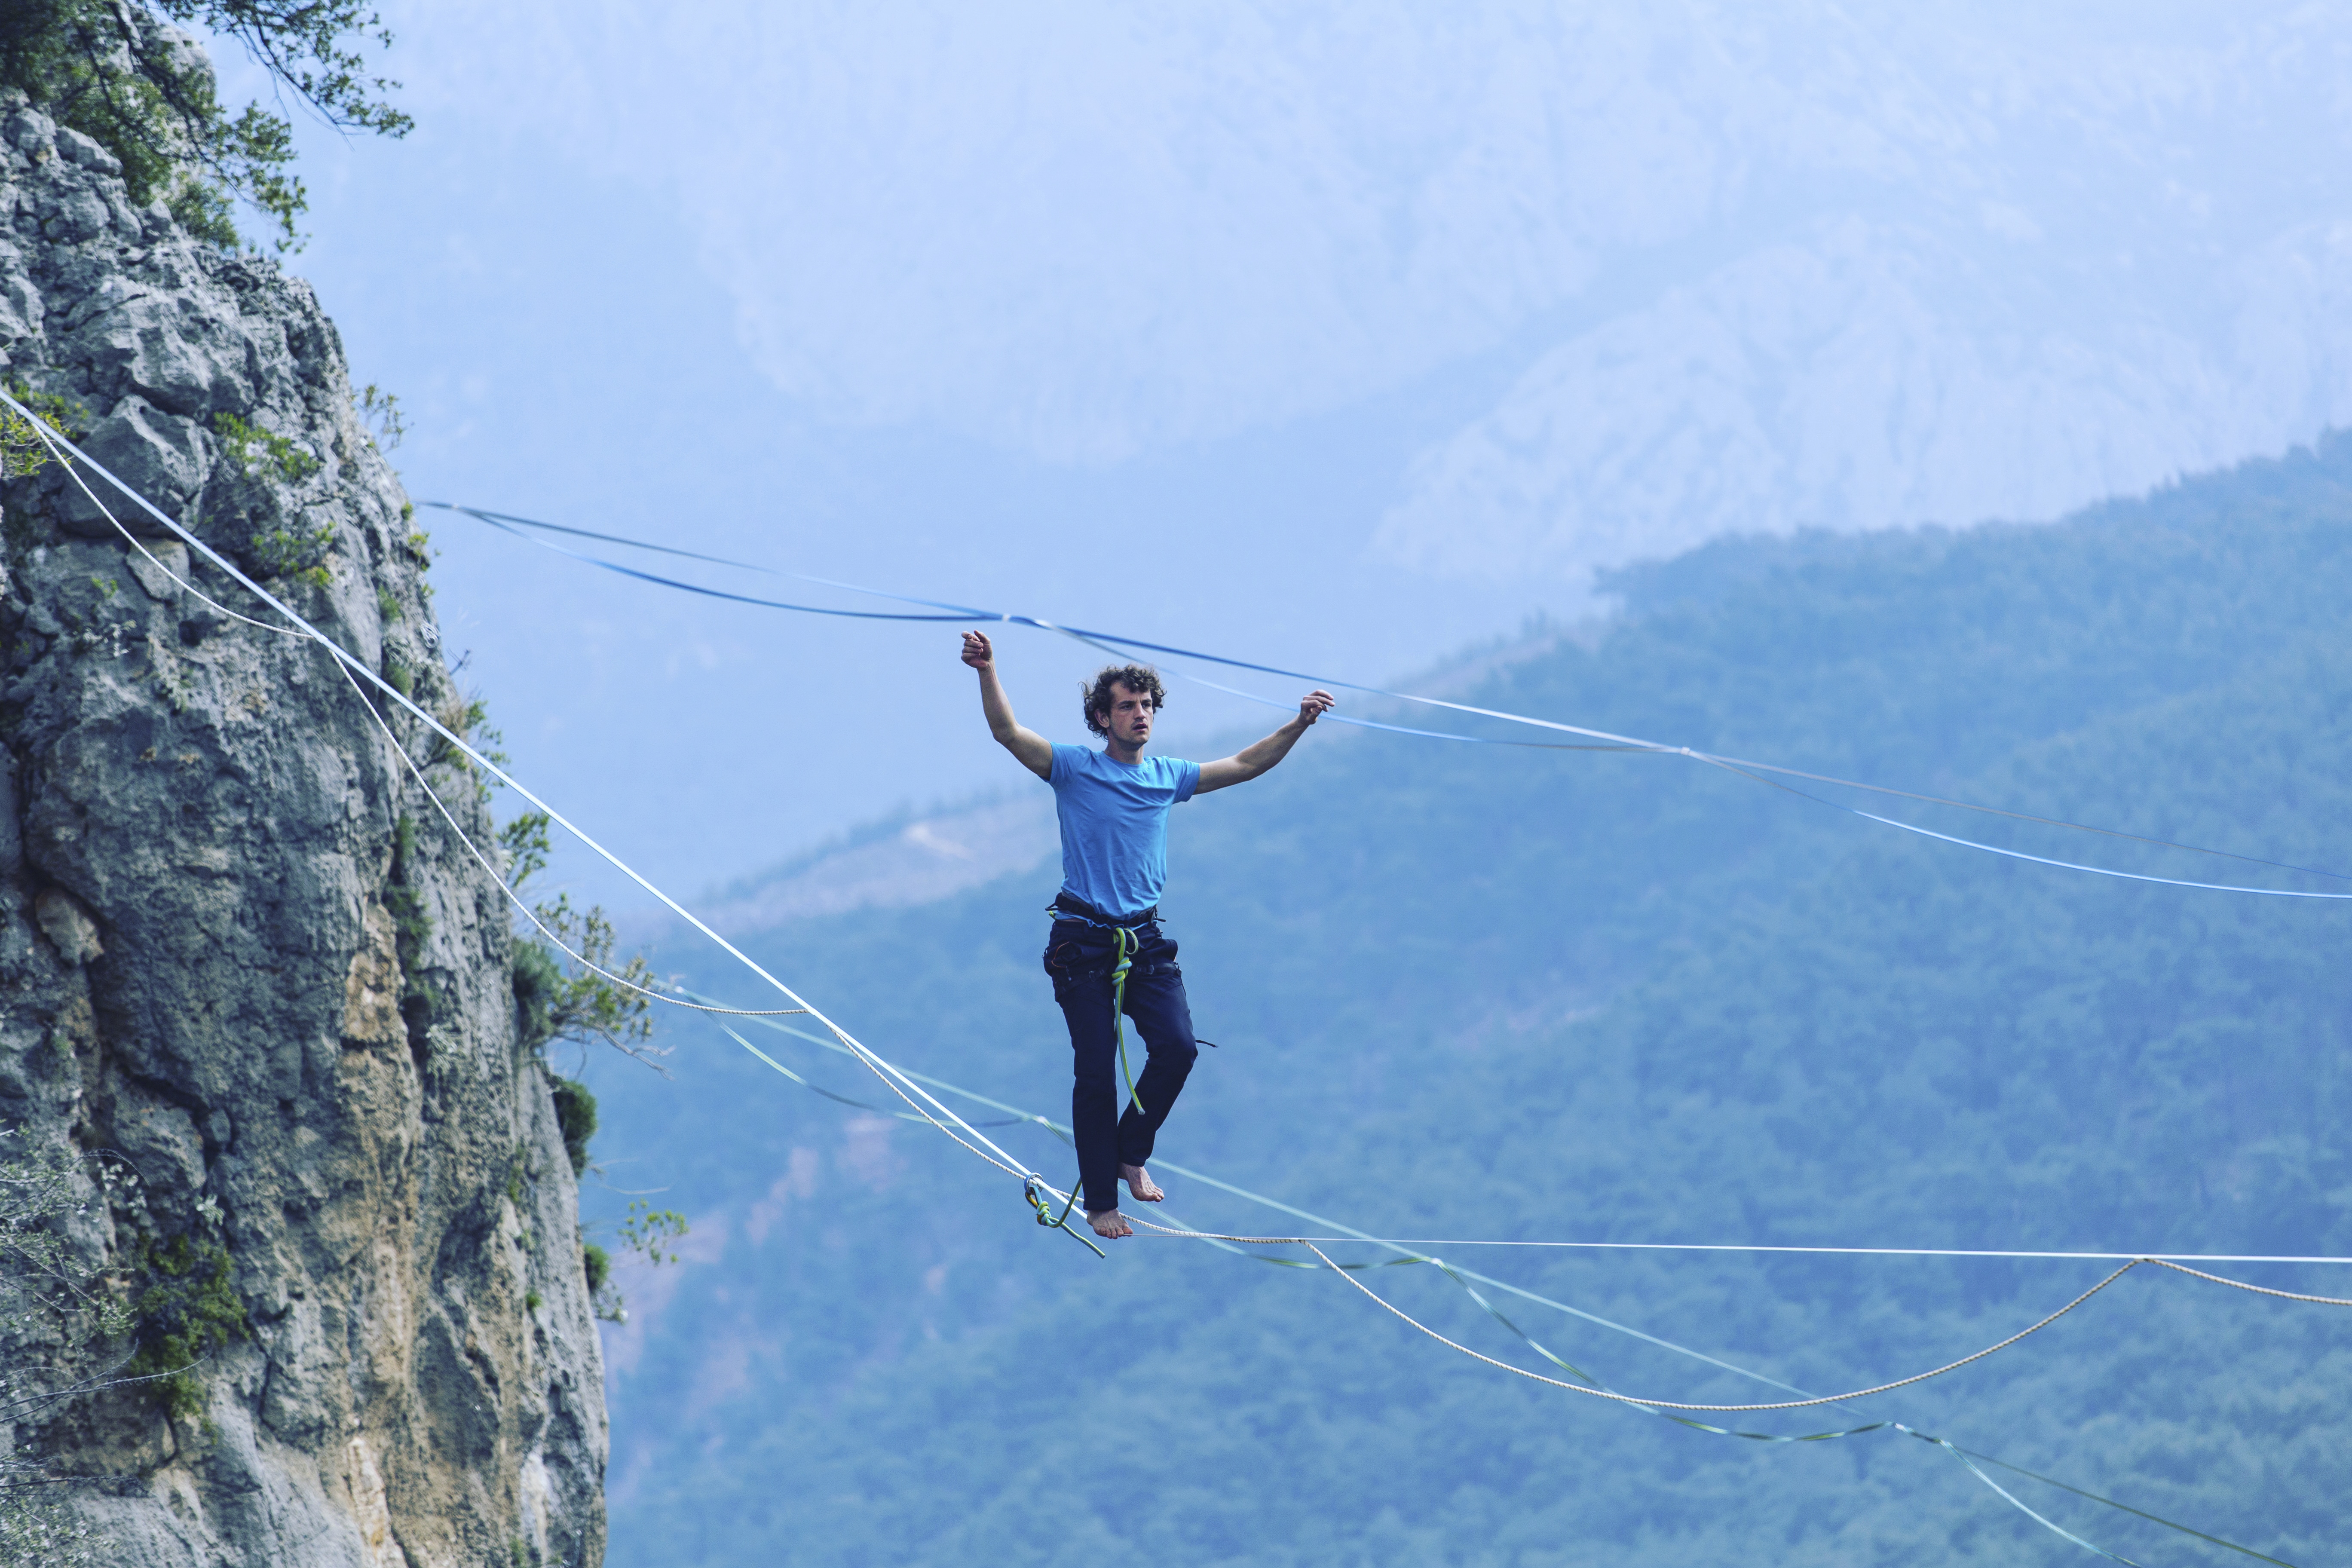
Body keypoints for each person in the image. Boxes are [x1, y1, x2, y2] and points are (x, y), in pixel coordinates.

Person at [961, 630, 1334, 1239]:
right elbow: (1008, 733)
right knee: (1096, 1073)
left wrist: (1299, 724)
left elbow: (1245, 765)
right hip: (1083, 942)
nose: (1141, 715)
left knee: (1178, 1048)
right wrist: (987, 671)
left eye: (1147, 706)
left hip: (1144, 940)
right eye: (1128, 707)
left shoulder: (1167, 776)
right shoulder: (1075, 769)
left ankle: (1131, 1152)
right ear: (1102, 718)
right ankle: (1100, 1202)